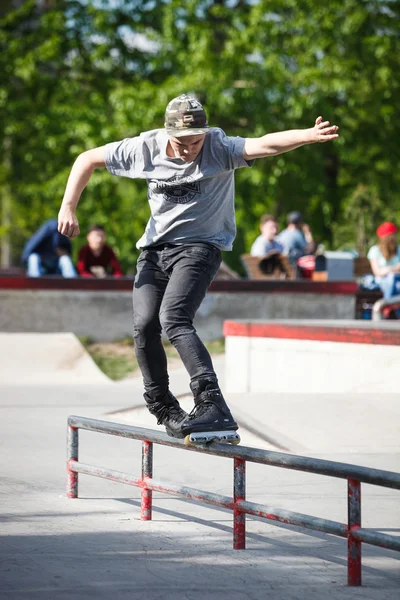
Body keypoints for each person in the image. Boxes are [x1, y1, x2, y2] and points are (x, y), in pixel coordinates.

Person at [58, 93, 339, 439]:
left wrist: (307, 136)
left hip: (200, 248)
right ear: (168, 134)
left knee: (173, 318)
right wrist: (68, 206)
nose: (191, 148)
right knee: (145, 326)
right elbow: (87, 159)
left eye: (196, 141)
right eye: (183, 143)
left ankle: (212, 403)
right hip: (154, 250)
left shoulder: (218, 146)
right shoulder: (143, 148)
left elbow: (264, 145)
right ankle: (164, 406)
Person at [367, 222, 400, 313]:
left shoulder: (398, 249)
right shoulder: (375, 250)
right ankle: (387, 307)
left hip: (397, 279)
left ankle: (387, 307)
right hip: (382, 281)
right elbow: (377, 272)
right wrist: (394, 269)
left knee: (397, 283)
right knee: (392, 280)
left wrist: (388, 269)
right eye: (394, 234)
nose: (396, 237)